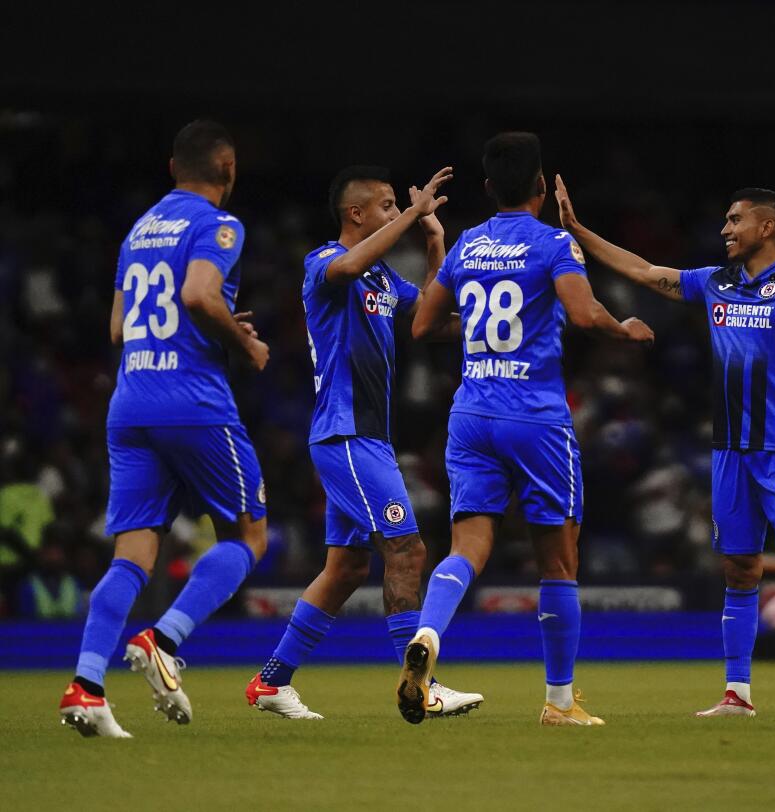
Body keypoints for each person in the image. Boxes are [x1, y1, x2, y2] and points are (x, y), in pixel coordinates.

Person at [557, 178, 775, 719]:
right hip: (729, 452)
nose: (725, 229)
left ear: (767, 227)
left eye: (734, 220)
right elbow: (645, 272)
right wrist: (579, 231)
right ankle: (737, 693)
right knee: (739, 569)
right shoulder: (716, 282)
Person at [399, 132, 654, 726]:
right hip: (535, 417)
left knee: (468, 546)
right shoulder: (554, 242)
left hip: (471, 414)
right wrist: (627, 329)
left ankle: (429, 634)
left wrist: (486, 332)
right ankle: (559, 704)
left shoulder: (467, 244)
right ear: (541, 186)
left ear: (488, 188)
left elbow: (423, 327)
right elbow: (586, 314)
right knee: (558, 563)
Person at [245, 165, 482, 719]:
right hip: (345, 433)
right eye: (387, 205)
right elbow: (348, 264)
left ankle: (272, 682)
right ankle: (421, 682)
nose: (398, 210)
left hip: (367, 438)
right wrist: (411, 215)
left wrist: (435, 242)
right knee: (408, 548)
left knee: (347, 569)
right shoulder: (324, 262)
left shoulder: (381, 282)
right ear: (356, 214)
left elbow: (432, 318)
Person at [60, 120, 272, 738]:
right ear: (227, 168)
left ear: (171, 167)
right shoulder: (217, 225)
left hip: (130, 403)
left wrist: (199, 321)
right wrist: (241, 340)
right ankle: (163, 638)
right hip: (194, 402)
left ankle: (86, 685)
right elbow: (202, 294)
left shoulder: (139, 230)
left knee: (132, 553)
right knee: (249, 533)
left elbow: (118, 331)